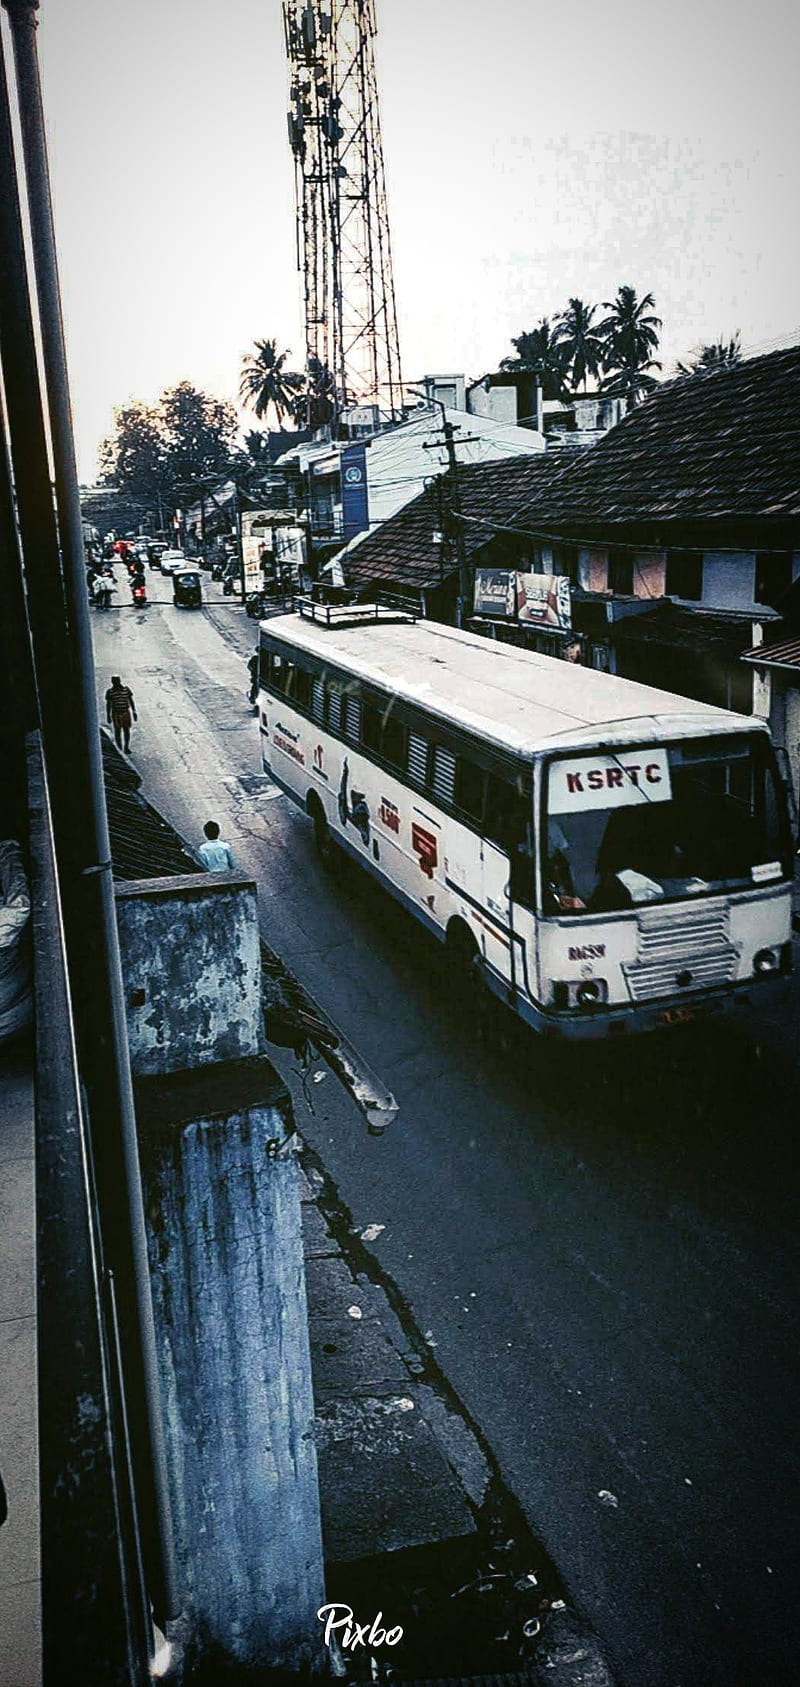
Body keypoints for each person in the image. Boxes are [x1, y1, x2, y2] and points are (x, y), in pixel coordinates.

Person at [105, 675, 137, 753]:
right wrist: (108, 715)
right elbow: (108, 704)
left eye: (117, 680)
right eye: (114, 681)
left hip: (125, 711)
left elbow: (131, 700)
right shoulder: (110, 692)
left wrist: (134, 711)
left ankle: (126, 747)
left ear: (120, 681)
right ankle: (119, 748)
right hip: (116, 713)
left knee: (126, 730)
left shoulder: (126, 689)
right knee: (117, 731)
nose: (116, 682)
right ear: (112, 682)